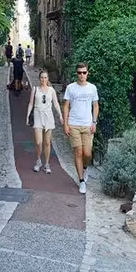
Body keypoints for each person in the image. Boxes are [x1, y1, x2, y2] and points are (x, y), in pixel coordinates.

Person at [62, 62, 99, 194]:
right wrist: (65, 124)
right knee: (78, 152)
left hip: (87, 124)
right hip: (74, 124)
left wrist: (94, 122)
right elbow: (66, 105)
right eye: (79, 73)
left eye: (84, 72)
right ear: (76, 73)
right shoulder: (71, 88)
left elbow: (95, 105)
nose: (81, 75)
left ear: (87, 73)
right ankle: (81, 181)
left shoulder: (92, 88)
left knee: (87, 154)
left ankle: (85, 167)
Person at [26, 69, 63, 174]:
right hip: (38, 114)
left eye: (45, 77)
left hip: (48, 116)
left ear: (48, 79)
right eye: (42, 77)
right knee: (38, 142)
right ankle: (38, 160)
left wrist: (60, 115)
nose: (43, 79)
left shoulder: (51, 90)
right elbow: (31, 103)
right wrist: (28, 115)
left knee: (47, 142)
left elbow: (55, 103)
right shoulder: (35, 89)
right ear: (39, 79)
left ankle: (46, 163)